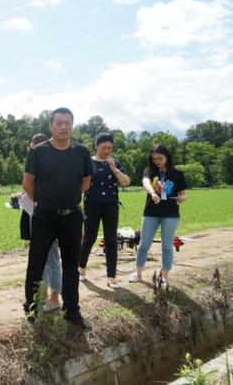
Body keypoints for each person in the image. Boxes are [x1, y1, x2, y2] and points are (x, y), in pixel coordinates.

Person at [22, 107, 93, 330]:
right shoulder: (38, 152)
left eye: (68, 123)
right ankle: (33, 308)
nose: (64, 127)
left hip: (72, 216)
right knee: (36, 264)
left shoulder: (81, 152)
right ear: (51, 126)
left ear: (72, 125)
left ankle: (72, 311)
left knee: (71, 265)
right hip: (44, 216)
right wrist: (44, 202)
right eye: (59, 123)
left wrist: (69, 200)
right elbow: (28, 183)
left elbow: (86, 182)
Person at [14, 133, 62, 311]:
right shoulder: (36, 165)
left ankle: (55, 299)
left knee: (52, 259)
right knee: (39, 260)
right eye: (30, 148)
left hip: (49, 216)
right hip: (37, 216)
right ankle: (41, 297)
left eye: (33, 148)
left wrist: (37, 201)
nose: (31, 152)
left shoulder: (53, 165)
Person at [129, 144, 187, 289]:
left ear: (167, 157)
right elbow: (145, 182)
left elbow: (183, 194)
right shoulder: (149, 171)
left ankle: (164, 277)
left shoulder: (177, 173)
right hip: (151, 213)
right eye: (154, 159)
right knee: (144, 244)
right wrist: (153, 193)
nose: (157, 161)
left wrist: (182, 198)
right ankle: (138, 273)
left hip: (171, 214)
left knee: (167, 246)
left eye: (160, 158)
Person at [79, 133, 131, 289]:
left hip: (111, 206)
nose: (107, 150)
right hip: (92, 205)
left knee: (111, 240)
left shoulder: (115, 163)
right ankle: (81, 269)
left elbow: (126, 182)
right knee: (89, 238)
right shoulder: (88, 162)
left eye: (110, 147)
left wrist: (114, 169)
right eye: (103, 147)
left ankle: (111, 276)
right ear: (96, 146)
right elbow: (80, 183)